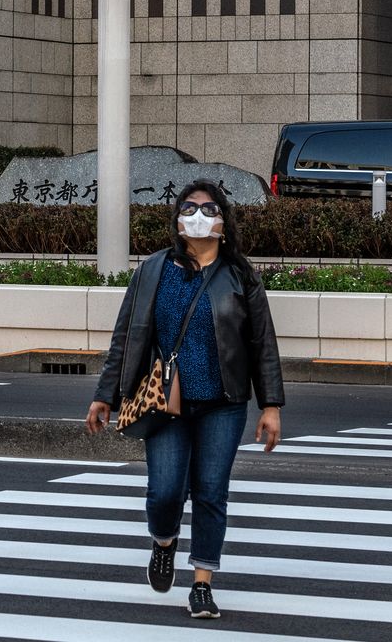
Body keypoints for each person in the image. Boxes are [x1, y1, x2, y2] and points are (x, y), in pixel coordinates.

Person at [85, 179, 285, 620]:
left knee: (211, 492)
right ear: (177, 220)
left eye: (209, 208)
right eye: (189, 207)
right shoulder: (154, 269)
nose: (198, 214)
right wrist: (105, 395)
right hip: (165, 401)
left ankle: (201, 585)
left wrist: (270, 406)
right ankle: (164, 542)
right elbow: (127, 335)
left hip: (223, 401)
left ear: (224, 221)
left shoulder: (240, 274)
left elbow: (261, 343)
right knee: (164, 492)